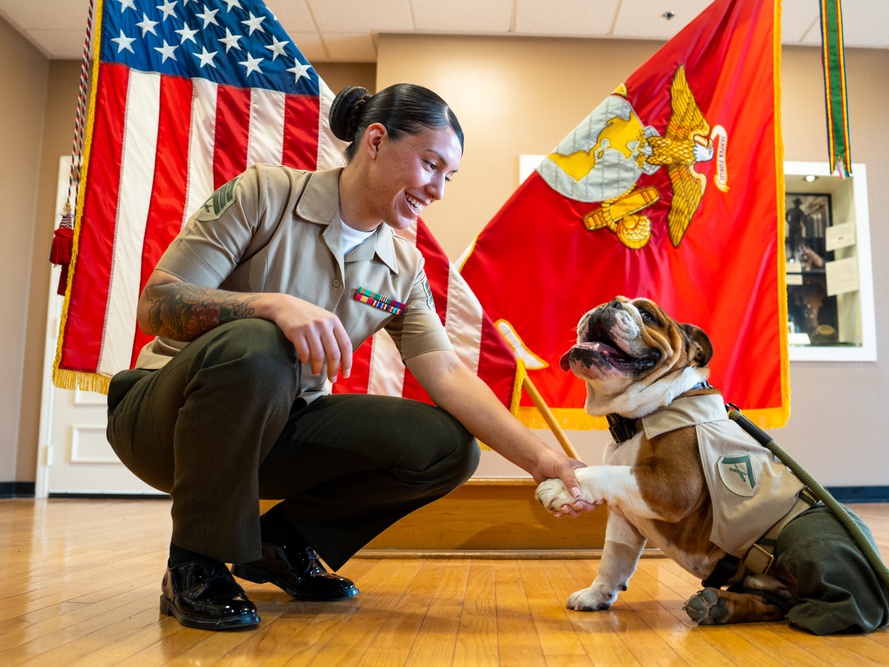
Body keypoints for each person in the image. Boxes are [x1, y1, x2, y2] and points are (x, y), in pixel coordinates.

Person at [105, 83, 594, 631]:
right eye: (430, 164)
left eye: (448, 177)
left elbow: (449, 374)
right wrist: (271, 305)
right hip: (163, 420)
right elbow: (158, 301)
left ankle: (282, 547)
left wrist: (543, 460)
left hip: (275, 430)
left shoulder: (402, 267)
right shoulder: (263, 193)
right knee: (263, 341)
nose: (437, 189)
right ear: (377, 141)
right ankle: (193, 562)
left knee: (446, 448)